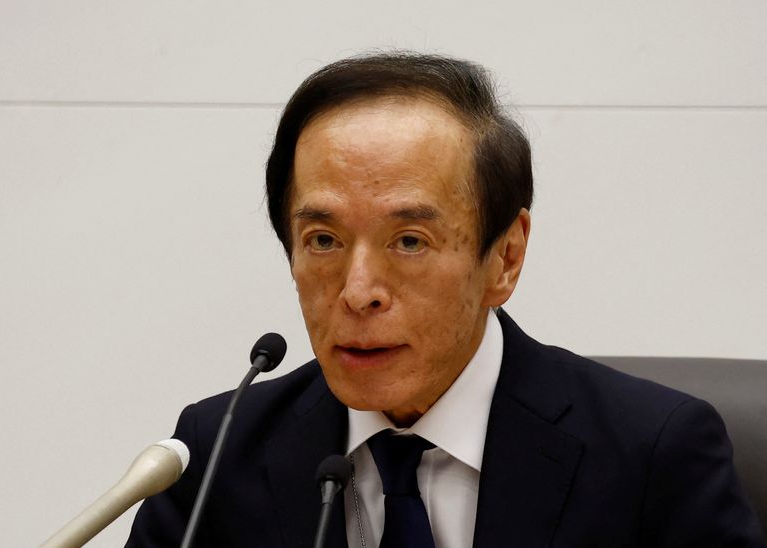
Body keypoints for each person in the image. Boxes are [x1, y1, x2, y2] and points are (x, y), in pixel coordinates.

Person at [126, 52, 764, 547]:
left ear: (505, 258)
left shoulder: (651, 456)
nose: (357, 293)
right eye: (322, 239)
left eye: (409, 240)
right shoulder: (216, 458)